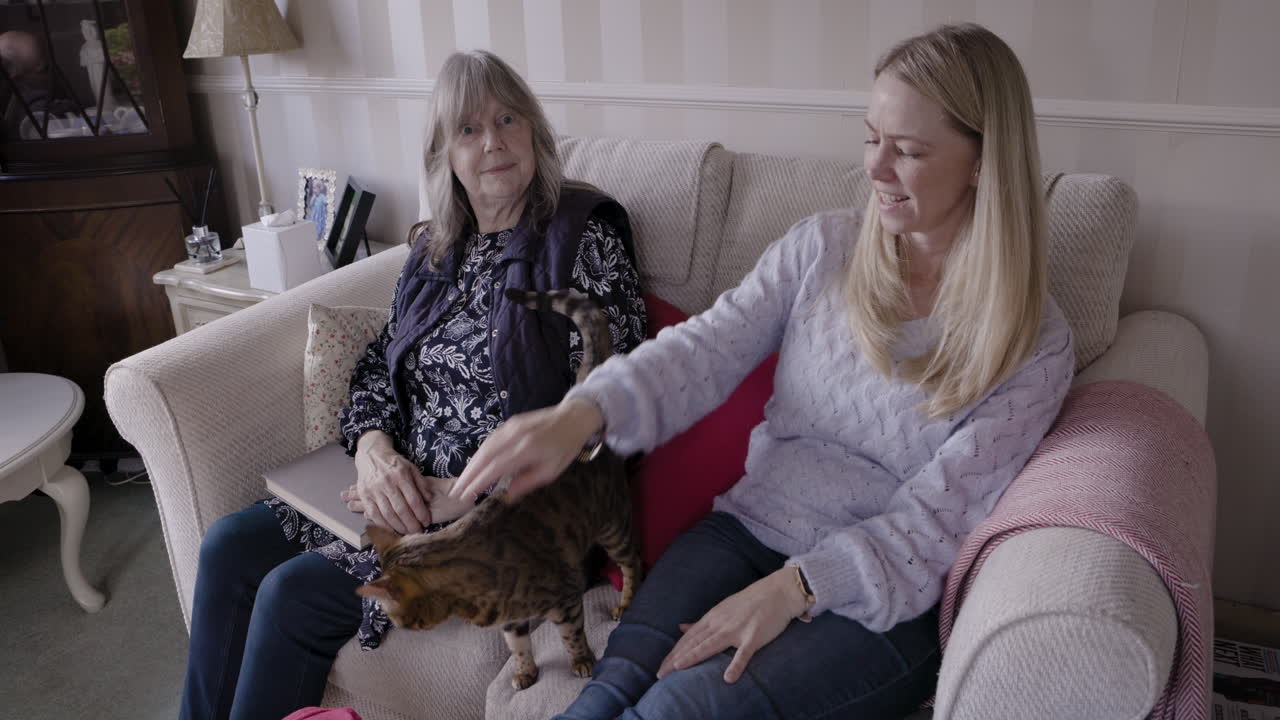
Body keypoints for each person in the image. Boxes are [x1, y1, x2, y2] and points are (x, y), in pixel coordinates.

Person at [451, 23, 1075, 720]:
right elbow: (703, 350)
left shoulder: (1032, 343)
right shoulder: (823, 249)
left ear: (984, 162)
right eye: (872, 138)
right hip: (747, 529)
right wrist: (581, 414)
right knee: (608, 694)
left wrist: (793, 589)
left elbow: (936, 525)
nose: (875, 168)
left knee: (678, 709)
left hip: (880, 597)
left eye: (908, 150)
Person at [178, 50, 647, 720]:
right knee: (227, 545)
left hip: (495, 519)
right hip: (391, 491)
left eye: (507, 119)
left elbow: (613, 405)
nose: (492, 142)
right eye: (468, 129)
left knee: (289, 595)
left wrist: (466, 495)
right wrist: (374, 452)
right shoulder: (435, 249)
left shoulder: (580, 238)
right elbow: (378, 365)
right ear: (444, 155)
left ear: (534, 131)